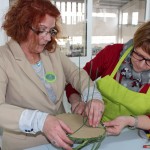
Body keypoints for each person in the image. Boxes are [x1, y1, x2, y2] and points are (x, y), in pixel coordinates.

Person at [0, 0, 104, 150]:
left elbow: (76, 74)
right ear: (22, 26)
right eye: (42, 30)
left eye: (51, 31)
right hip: (26, 144)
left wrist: (92, 95)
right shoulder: (3, 58)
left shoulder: (51, 52)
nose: (48, 38)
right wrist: (40, 121)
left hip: (65, 136)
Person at [66, 21, 150, 136]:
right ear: (134, 44)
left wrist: (130, 121)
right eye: (139, 55)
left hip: (135, 133)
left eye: (149, 61)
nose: (141, 65)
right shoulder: (112, 53)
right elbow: (76, 78)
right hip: (94, 126)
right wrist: (77, 102)